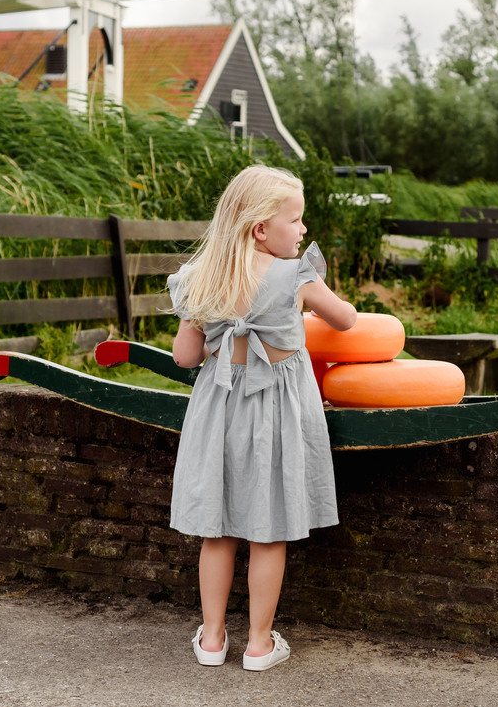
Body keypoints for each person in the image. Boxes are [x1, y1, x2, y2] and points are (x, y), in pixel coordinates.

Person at [166, 165, 357, 672]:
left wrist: (203, 320)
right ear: (260, 229)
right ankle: (258, 644)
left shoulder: (200, 277)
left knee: (217, 529)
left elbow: (185, 357)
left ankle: (211, 640)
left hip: (218, 412)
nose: (302, 230)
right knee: (267, 529)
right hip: (275, 411)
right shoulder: (296, 275)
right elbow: (348, 319)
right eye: (296, 220)